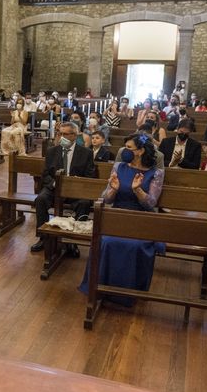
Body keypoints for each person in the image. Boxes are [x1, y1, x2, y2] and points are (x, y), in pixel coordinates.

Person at [79, 133, 166, 306]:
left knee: (134, 245)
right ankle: (99, 287)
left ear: (140, 151)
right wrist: (113, 189)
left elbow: (151, 204)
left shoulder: (156, 173)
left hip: (141, 219)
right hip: (118, 215)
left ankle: (125, 293)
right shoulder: (118, 166)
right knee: (105, 241)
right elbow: (106, 198)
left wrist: (137, 190)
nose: (124, 151)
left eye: (128, 148)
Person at [30, 122, 95, 253]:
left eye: (65, 134)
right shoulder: (52, 151)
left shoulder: (86, 153)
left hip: (75, 190)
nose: (61, 137)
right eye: (60, 133)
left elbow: (90, 176)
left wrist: (75, 183)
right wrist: (54, 183)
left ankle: (72, 241)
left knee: (84, 203)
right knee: (40, 200)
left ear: (74, 135)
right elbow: (46, 174)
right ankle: (43, 238)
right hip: (54, 188)